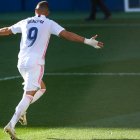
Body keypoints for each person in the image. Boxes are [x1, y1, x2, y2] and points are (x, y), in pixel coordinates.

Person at [0, 1, 104, 139]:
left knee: (42, 88)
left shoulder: (25, 21)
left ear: (35, 11)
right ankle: (11, 124)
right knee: (28, 95)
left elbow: (6, 30)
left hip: (21, 63)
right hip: (35, 63)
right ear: (47, 12)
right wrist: (88, 41)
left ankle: (23, 110)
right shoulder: (49, 23)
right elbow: (66, 35)